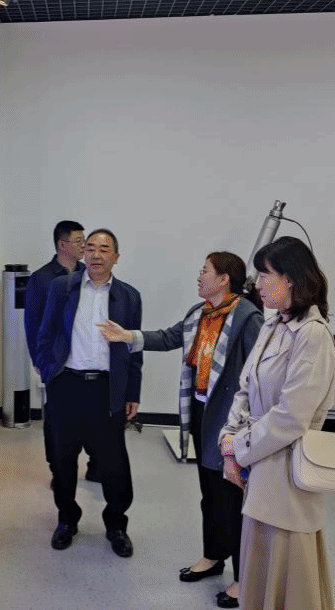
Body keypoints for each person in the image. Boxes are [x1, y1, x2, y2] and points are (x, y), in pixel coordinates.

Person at [99, 252, 263, 609]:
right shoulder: (200, 313)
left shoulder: (247, 317)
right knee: (210, 493)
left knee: (231, 498)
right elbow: (169, 337)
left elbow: (257, 375)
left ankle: (243, 578)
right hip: (203, 412)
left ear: (224, 279)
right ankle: (213, 555)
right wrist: (126, 336)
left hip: (231, 419)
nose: (199, 276)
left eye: (205, 271)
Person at [219, 236, 335, 610]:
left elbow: (292, 416)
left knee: (288, 572)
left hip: (287, 472)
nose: (257, 283)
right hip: (261, 465)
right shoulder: (272, 326)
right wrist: (228, 441)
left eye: (264, 274)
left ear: (290, 279)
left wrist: (239, 448)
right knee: (258, 566)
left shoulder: (313, 335)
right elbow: (244, 388)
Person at [35, 229, 142, 557]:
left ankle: (116, 525)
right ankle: (67, 520)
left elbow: (134, 349)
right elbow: (45, 333)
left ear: (116, 257)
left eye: (104, 249)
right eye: (91, 248)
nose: (96, 255)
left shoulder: (128, 296)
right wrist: (49, 373)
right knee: (63, 460)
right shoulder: (62, 287)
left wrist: (132, 392)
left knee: (113, 463)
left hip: (106, 390)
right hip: (67, 385)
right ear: (83, 254)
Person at [23, 221, 99, 483]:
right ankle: (58, 470)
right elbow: (32, 324)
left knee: (92, 416)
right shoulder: (42, 279)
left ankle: (95, 464)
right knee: (57, 421)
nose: (84, 246)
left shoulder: (89, 274)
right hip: (56, 362)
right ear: (62, 245)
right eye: (79, 241)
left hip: (87, 360)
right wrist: (40, 360)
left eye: (84, 241)